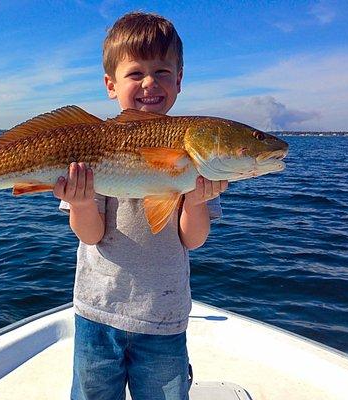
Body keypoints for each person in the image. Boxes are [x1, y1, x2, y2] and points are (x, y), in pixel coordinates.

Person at [53, 12, 228, 400]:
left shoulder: (197, 159)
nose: (150, 83)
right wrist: (81, 205)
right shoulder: (93, 143)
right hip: (97, 313)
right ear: (110, 85)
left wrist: (196, 202)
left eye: (163, 72)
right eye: (136, 74)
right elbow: (91, 234)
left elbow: (192, 239)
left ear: (179, 81)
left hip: (163, 321)